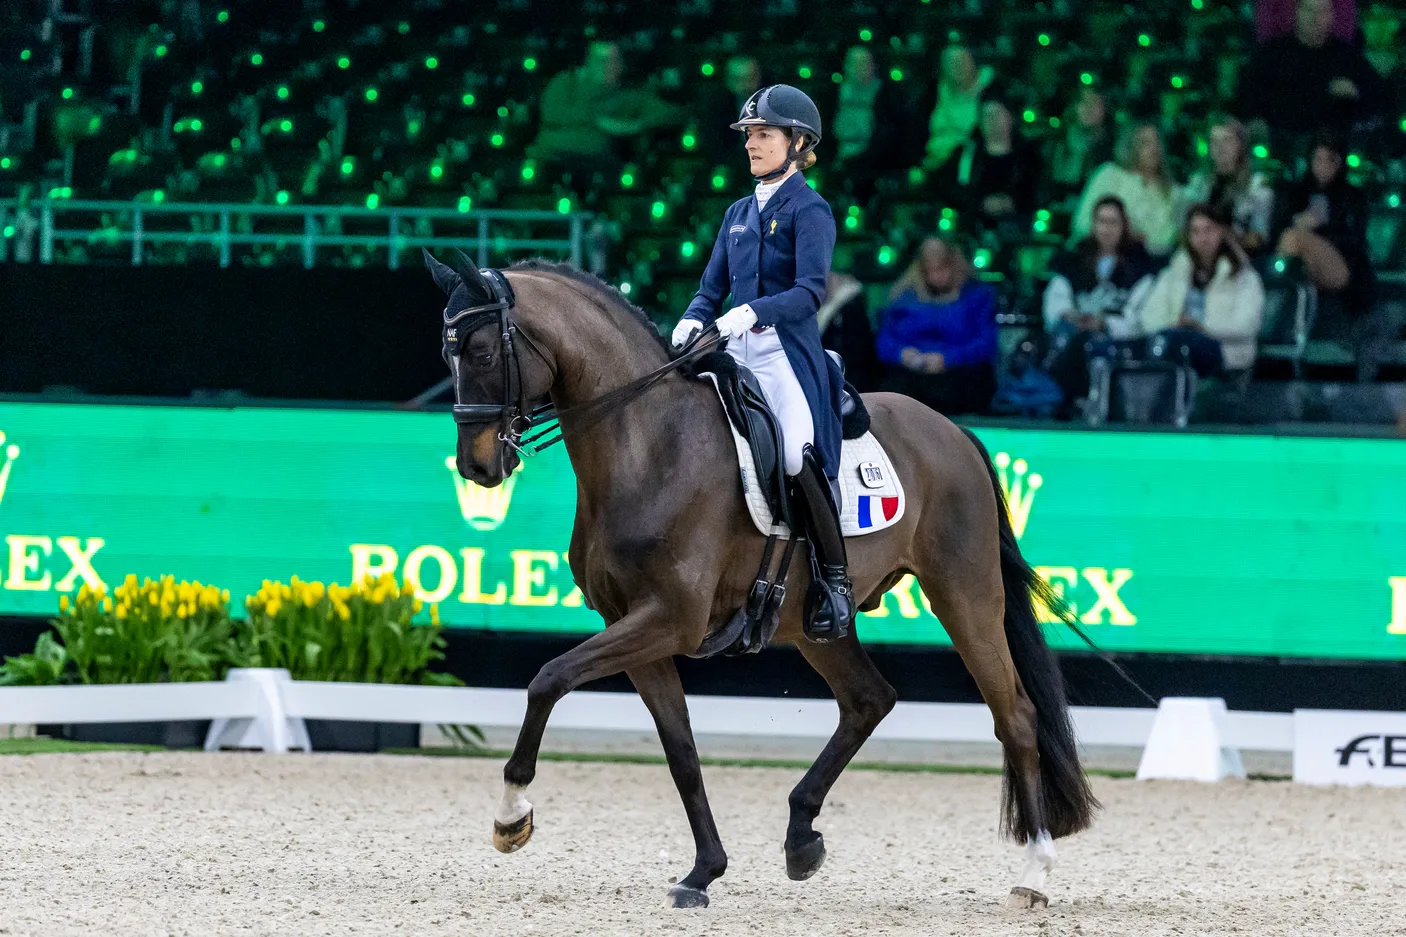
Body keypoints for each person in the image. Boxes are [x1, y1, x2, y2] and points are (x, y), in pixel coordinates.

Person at [671, 84, 852, 640]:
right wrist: (692, 319)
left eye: (763, 134)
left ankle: (834, 581)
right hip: (733, 348)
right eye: (749, 134)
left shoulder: (810, 210)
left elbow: (809, 293)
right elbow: (710, 289)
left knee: (795, 454)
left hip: (783, 354)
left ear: (798, 143)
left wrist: (749, 313)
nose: (751, 143)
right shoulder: (736, 213)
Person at [1043, 196, 1158, 402]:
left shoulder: (1140, 265)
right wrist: (1070, 315)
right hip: (1073, 333)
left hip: (1118, 342)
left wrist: (1104, 324)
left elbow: (1140, 317)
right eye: (1102, 221)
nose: (1107, 229)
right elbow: (1056, 302)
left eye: (1113, 222)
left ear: (1124, 226)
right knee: (1062, 339)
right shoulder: (1073, 260)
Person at [875, 238, 998, 415]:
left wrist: (948, 358)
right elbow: (884, 340)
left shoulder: (977, 295)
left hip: (958, 374)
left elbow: (985, 342)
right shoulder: (903, 297)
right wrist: (902, 354)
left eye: (942, 269)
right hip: (910, 374)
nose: (936, 276)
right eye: (930, 270)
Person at [1140, 205, 1266, 376]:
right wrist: (1173, 324)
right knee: (1160, 346)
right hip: (1175, 338)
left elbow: (1248, 325)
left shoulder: (1244, 276)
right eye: (1195, 231)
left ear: (1221, 232)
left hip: (1225, 349)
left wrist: (1202, 326)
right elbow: (1148, 315)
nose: (1203, 238)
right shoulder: (1174, 272)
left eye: (1208, 230)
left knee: (1180, 348)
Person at [1239, 0, 1389, 139]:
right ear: (1296, 12)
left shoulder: (1347, 57)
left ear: (1332, 16)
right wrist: (1255, 118)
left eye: (1322, 11)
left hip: (1331, 144)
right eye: (1308, 10)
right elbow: (1247, 95)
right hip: (1280, 140)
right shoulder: (1271, 54)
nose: (1314, 18)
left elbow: (1381, 98)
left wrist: (1356, 93)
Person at [528, 41, 679, 177]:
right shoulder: (567, 81)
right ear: (588, 62)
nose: (605, 66)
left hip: (602, 165)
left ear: (621, 64)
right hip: (549, 159)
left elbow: (671, 114)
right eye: (599, 60)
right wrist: (598, 121)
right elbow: (552, 114)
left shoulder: (629, 95)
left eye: (612, 61)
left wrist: (634, 126)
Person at [1273, 131, 1373, 307]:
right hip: (1305, 261)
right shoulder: (1297, 193)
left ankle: (1277, 305)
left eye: (1330, 160)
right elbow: (1276, 228)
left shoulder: (1353, 197)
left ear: (1340, 163)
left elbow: (1355, 240)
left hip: (1343, 264)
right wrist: (1296, 221)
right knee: (1294, 246)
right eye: (1318, 159)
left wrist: (1321, 227)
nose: (1323, 166)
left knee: (1293, 237)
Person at [941, 90, 1044, 233]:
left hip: (1020, 229)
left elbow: (1039, 190)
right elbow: (948, 188)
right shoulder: (965, 155)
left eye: (998, 114)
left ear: (1010, 117)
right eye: (987, 115)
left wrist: (1013, 202)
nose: (992, 120)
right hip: (972, 229)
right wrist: (980, 203)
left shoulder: (1029, 156)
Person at [1071, 122, 1179, 257]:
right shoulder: (1109, 175)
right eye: (1145, 143)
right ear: (1131, 146)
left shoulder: (1169, 190)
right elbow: (1082, 223)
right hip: (1097, 255)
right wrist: (1124, 235)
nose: (1154, 148)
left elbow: (1167, 238)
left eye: (1157, 142)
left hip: (1147, 261)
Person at [1177, 119, 1275, 254]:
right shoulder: (1198, 182)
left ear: (1240, 145)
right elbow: (1182, 228)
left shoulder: (1256, 186)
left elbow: (1258, 237)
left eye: (1227, 140)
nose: (1220, 148)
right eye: (1215, 142)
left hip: (1238, 256)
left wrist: (1226, 238)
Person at [914, 45, 994, 173]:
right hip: (929, 163)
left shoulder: (990, 95)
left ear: (973, 63)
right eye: (951, 62)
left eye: (962, 61)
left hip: (967, 167)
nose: (958, 66)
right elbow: (917, 131)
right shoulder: (933, 93)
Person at [1049, 88, 1115, 203]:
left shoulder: (1113, 151)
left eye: (1096, 103)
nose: (1089, 108)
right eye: (1084, 102)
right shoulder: (1056, 145)